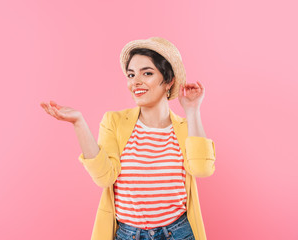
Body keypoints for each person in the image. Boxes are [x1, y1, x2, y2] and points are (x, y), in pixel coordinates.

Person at [40, 37, 216, 240]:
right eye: (131, 75)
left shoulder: (186, 128)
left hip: (178, 233)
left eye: (147, 73)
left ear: (169, 80)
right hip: (128, 235)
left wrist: (192, 111)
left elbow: (202, 169)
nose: (136, 82)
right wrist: (78, 123)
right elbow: (105, 177)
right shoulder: (113, 122)